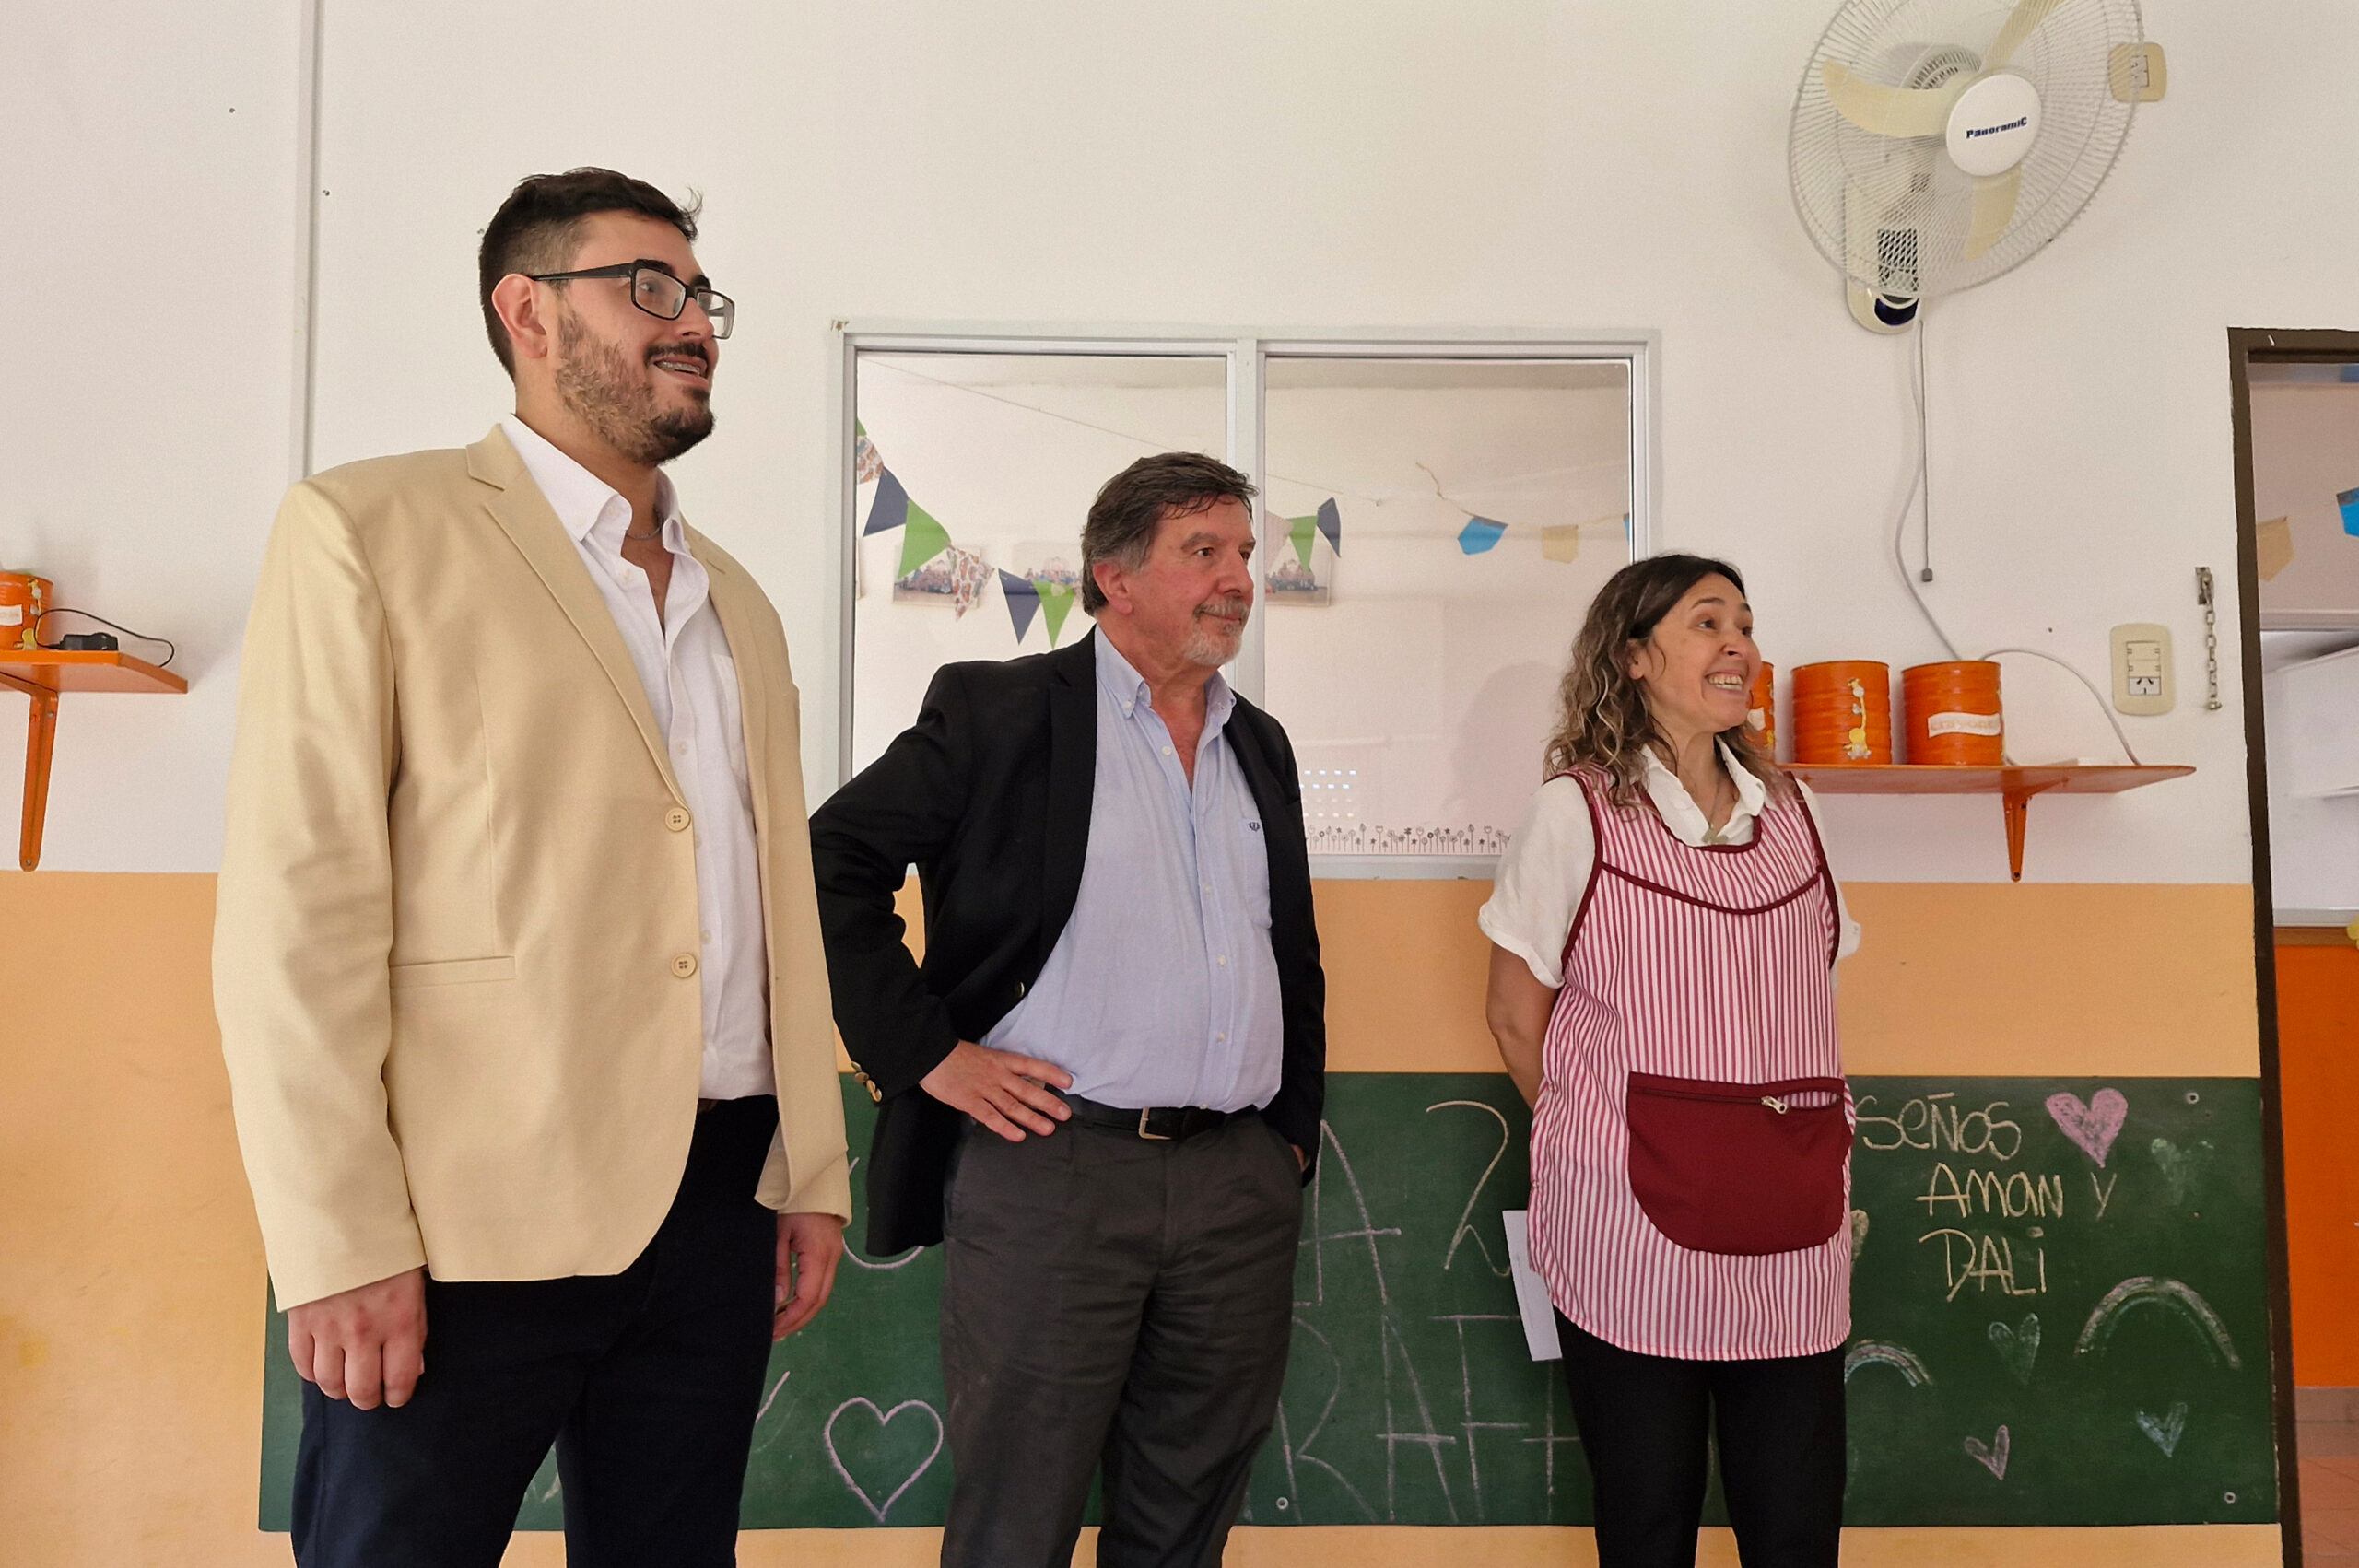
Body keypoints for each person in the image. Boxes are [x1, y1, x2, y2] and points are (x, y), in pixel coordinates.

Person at [214, 168, 851, 1568]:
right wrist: (337, 1238)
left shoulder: (735, 599)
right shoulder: (369, 530)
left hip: (719, 1198)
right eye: (650, 288)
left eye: (702, 295)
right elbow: (294, 917)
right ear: (529, 313)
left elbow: (770, 897)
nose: (693, 323)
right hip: (464, 1217)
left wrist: (807, 1162)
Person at [810, 452, 1325, 1567]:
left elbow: (1291, 953)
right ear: (1113, 577)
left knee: (1187, 1512)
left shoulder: (1259, 742)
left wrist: (1287, 1135)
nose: (1238, 577)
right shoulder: (997, 713)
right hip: (1053, 1168)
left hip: (1237, 1182)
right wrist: (927, 1053)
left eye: (1243, 552)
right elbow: (827, 863)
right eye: (1203, 551)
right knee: (1019, 1511)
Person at [1480, 554, 1861, 1568]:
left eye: (1745, 624)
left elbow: (1804, 997)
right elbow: (1515, 1020)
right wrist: (1620, 1141)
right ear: (1635, 657)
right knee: (1648, 1522)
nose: (1739, 644)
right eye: (1707, 623)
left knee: (1796, 1525)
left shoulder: (1797, 812)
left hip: (1791, 1228)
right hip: (1631, 1232)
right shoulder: (1576, 812)